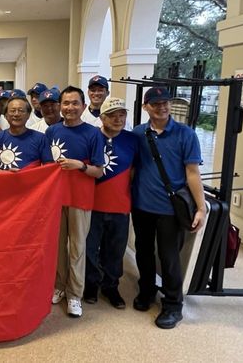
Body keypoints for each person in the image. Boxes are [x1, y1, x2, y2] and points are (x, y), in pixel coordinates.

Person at [131, 87, 206, 329]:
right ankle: (147, 291)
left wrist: (201, 208)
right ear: (146, 107)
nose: (162, 107)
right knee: (143, 251)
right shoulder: (138, 134)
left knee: (169, 257)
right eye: (156, 104)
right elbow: (132, 169)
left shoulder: (186, 134)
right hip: (142, 205)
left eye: (165, 103)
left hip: (170, 209)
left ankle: (173, 305)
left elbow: (193, 173)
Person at [45, 86, 105, 319]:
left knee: (78, 249)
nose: (70, 108)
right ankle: (59, 285)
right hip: (56, 199)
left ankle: (74, 295)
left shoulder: (93, 133)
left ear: (83, 105)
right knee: (58, 247)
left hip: (80, 199)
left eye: (75, 103)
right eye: (66, 103)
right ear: (60, 106)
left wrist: (79, 165)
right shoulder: (52, 131)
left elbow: (98, 172)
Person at [84, 98, 138, 310]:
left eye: (122, 115)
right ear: (102, 117)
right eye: (113, 115)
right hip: (92, 205)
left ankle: (110, 286)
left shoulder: (133, 140)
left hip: (120, 206)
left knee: (115, 250)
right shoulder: (91, 137)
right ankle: (90, 284)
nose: (118, 119)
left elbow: (135, 171)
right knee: (89, 249)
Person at [0, 96, 51, 172]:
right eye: (12, 111)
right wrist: (6, 174)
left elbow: (49, 168)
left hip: (32, 183)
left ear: (28, 115)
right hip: (3, 182)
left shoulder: (41, 138)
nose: (16, 114)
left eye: (21, 110)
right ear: (5, 115)